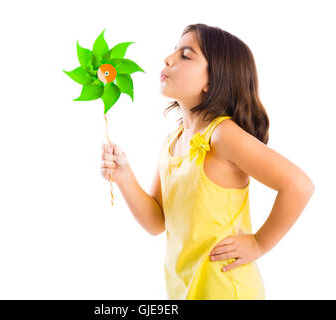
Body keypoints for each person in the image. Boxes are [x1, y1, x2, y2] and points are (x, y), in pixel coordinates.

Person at [100, 24, 315, 299]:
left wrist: (260, 243)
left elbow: (299, 185)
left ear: (212, 82)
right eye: (174, 51)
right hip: (185, 289)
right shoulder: (172, 141)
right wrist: (124, 176)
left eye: (186, 55)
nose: (169, 58)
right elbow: (156, 222)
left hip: (224, 289)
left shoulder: (223, 135)